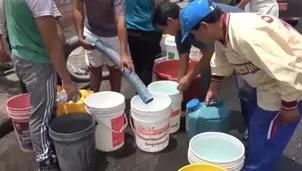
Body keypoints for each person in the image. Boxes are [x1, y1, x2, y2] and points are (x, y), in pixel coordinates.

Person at [180, 0, 302, 170]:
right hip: (270, 81)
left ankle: (257, 167)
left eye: (194, 34)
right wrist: (213, 87)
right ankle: (254, 160)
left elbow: (285, 68)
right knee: (257, 126)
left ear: (204, 26)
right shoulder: (223, 29)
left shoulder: (247, 34)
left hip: (291, 82)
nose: (196, 39)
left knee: (268, 134)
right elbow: (222, 58)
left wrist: (290, 105)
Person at [152, 1, 256, 139]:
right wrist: (178, 87)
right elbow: (184, 59)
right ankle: (204, 117)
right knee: (207, 81)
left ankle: (254, 128)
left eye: (163, 29)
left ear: (170, 21)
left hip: (243, 40)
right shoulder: (180, 32)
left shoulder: (194, 20)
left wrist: (189, 77)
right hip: (221, 47)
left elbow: (209, 54)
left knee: (246, 88)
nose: (165, 33)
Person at [1, 0, 81, 170]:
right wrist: (67, 82)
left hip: (21, 54)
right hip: (38, 61)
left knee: (46, 107)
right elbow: (53, 45)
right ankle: (45, 161)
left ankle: (49, 147)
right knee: (42, 115)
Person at [0, 2, 65, 94]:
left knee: (54, 89)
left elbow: (52, 13)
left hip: (45, 47)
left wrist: (59, 36)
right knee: (34, 90)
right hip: (25, 51)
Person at [73, 0, 134, 93]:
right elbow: (78, 9)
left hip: (114, 34)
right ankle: (93, 99)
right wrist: (80, 37)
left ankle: (115, 100)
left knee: (116, 69)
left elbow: (120, 21)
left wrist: (124, 54)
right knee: (94, 69)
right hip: (92, 32)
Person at [125, 0, 168, 86]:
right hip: (150, 29)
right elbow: (162, 5)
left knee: (137, 65)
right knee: (147, 66)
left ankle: (139, 93)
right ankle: (144, 95)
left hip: (131, 28)